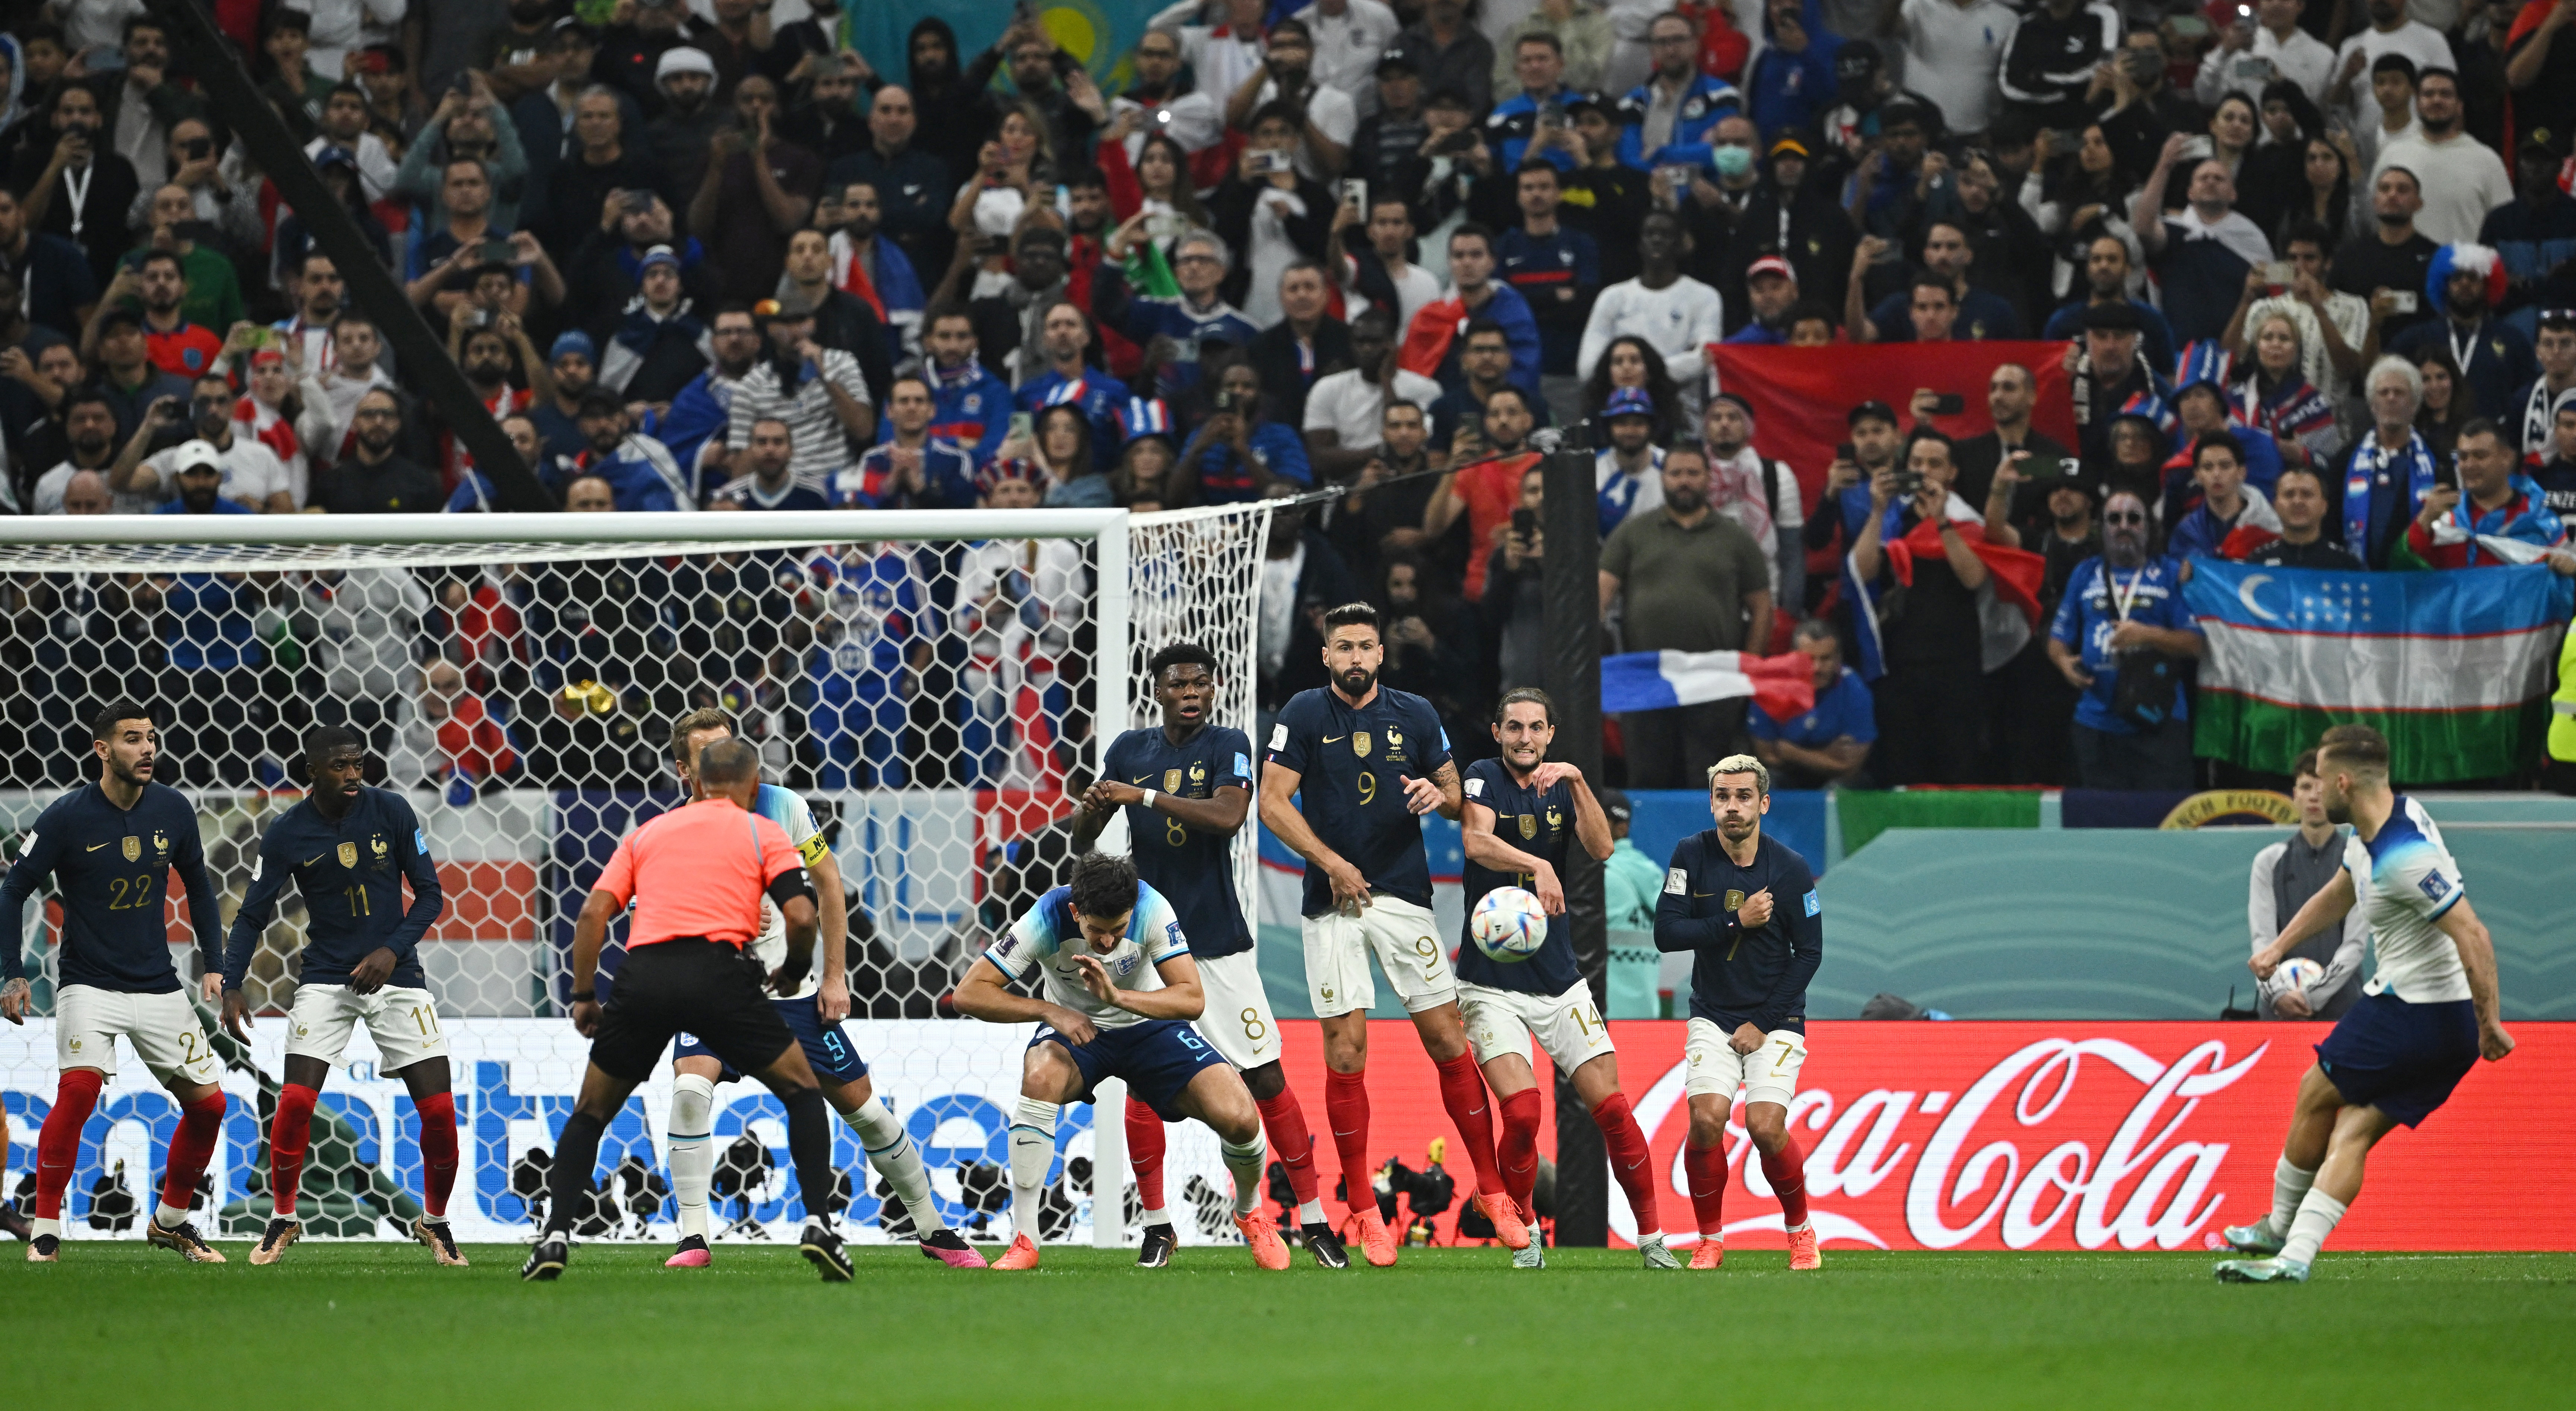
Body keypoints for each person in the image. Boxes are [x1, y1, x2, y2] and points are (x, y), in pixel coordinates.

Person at [649, 710, 980, 1270]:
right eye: (706, 757)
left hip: (792, 992)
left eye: (729, 751)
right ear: (684, 769)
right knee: (688, 1090)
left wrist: (834, 976)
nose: (722, 765)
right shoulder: (671, 829)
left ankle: (932, 1227)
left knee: (868, 1112)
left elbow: (829, 887)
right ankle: (693, 1237)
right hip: (713, 996)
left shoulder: (783, 805)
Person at [1258, 600, 1528, 1266]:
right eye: (1343, 646)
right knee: (1346, 1051)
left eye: (1366, 647)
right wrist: (1331, 863)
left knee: (1446, 1037)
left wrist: (1446, 798)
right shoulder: (1302, 714)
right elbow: (1270, 800)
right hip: (1332, 903)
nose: (1355, 657)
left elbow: (1465, 797)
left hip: (1406, 898)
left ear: (1382, 654)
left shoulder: (1416, 714)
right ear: (1326, 655)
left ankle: (1492, 1190)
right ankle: (1364, 1210)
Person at [527, 738, 849, 1282]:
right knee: (801, 1090)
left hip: (644, 976)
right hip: (721, 976)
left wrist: (584, 996)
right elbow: (800, 913)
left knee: (590, 1112)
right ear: (752, 786)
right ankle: (818, 1222)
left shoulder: (649, 832)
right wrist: (794, 972)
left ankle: (555, 1235)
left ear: (697, 779)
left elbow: (590, 914)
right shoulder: (762, 830)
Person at [1072, 642, 1345, 1269]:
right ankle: (1158, 1224)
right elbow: (1084, 844)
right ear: (1159, 691)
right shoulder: (1128, 751)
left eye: (1201, 683)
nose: (1191, 693)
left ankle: (1311, 1218)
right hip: (1144, 947)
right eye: (1179, 684)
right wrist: (1091, 813)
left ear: (1213, 689)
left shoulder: (1228, 744)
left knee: (1266, 1074)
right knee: (1143, 1086)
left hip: (1218, 944)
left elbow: (1228, 816)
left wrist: (1139, 799)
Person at [2216, 724, 2512, 1284]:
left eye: (2321, 780)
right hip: (2438, 1023)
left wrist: (2489, 1022)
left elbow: (2473, 932)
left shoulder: (2403, 855)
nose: (2314, 793)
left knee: (2312, 1090)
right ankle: (2293, 1259)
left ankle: (2278, 1225)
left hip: (2417, 1010)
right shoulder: (2373, 828)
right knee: (2349, 1129)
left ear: (2343, 782)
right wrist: (2279, 946)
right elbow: (2339, 892)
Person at [954, 850, 1289, 1272]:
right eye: (1097, 930)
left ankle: (1250, 1212)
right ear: (1076, 911)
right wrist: (1049, 1011)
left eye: (1119, 929)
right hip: (1074, 1030)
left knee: (1240, 1115)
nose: (1109, 942)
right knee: (1039, 1076)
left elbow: (1192, 997)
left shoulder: (1151, 907)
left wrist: (1120, 998)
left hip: (1149, 1028)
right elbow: (969, 992)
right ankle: (1025, 1239)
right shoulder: (1046, 916)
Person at [212, 726, 451, 1266]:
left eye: (358, 764)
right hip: (325, 978)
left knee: (438, 1111)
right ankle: (283, 1216)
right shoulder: (287, 832)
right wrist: (231, 983)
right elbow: (253, 913)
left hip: (399, 976)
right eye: (340, 765)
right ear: (312, 772)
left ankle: (437, 1224)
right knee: (295, 1102)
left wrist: (391, 952)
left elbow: (430, 893)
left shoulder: (391, 810)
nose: (352, 774)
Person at [0, 703, 228, 1266]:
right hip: (89, 983)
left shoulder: (173, 810)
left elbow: (199, 888)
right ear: (103, 750)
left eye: (152, 738)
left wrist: (216, 964)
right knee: (77, 1093)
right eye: (133, 739)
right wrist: (12, 972)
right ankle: (46, 1230)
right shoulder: (66, 816)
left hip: (157, 983)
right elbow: (13, 890)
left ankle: (171, 1221)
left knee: (210, 1106)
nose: (148, 748)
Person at [1456, 687, 1673, 1270]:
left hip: (1559, 981)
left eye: (1534, 728)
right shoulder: (1480, 775)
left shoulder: (1561, 784)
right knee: (1524, 1112)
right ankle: (1525, 1230)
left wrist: (1578, 782)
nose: (1524, 738)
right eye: (1513, 727)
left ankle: (1652, 1239)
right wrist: (1538, 863)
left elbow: (1601, 846)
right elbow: (1474, 841)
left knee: (1613, 1108)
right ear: (1497, 731)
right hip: (1489, 983)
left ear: (1550, 733)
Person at [1653, 754, 1824, 1272]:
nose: (1732, 806)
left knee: (1765, 1126)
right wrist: (1735, 921)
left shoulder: (1790, 869)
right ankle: (1709, 1239)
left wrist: (1764, 1022)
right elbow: (1667, 933)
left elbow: (1810, 953)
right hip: (1712, 1013)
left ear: (1763, 803)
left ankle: (1800, 1232)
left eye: (1743, 796)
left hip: (1775, 1019)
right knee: (1705, 1119)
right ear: (1711, 802)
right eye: (1723, 796)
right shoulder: (1690, 854)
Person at [1600, 442, 1774, 785]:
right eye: (1675, 473)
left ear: (1708, 479)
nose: (1684, 481)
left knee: (1710, 779)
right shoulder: (1633, 532)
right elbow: (1598, 597)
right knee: (1648, 777)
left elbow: (1762, 607)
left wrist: (1748, 669)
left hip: (1713, 682)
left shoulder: (1735, 538)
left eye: (1693, 473)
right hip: (1648, 680)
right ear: (1663, 478)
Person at [2048, 489, 2204, 791]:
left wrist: (2147, 634)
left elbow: (2195, 644)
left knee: (2162, 821)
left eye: (2133, 518)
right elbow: (2058, 637)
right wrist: (2063, 662)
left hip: (2158, 719)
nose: (2123, 526)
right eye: (2114, 519)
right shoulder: (2084, 573)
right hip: (2095, 723)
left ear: (2148, 526)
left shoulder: (2171, 574)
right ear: (2102, 527)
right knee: (2101, 824)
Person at [2251, 749, 2369, 1024]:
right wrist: (2278, 994)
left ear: (2338, 794)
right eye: (2306, 786)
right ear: (2295, 794)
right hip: (2280, 1008)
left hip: (2343, 1009)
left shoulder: (2359, 858)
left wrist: (2311, 996)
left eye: (2322, 787)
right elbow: (2262, 940)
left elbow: (2354, 945)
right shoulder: (2268, 862)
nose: (2314, 795)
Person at [1576, 211, 1721, 418]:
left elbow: (1705, 358)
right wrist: (1675, 363)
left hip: (1683, 415)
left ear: (1682, 244)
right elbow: (1587, 369)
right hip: (1619, 414)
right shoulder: (1612, 297)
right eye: (1650, 234)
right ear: (1640, 244)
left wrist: (1624, 369)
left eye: (1666, 235)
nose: (1657, 240)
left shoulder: (1705, 297)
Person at [2133, 142, 2274, 345]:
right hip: (2180, 355)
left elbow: (2272, 295)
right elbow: (2143, 228)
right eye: (2203, 178)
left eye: (2219, 179)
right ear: (2190, 193)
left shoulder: (2253, 239)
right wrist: (2165, 165)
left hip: (2235, 358)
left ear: (2233, 194)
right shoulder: (2174, 233)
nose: (2211, 182)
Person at [2395, 418, 2573, 570]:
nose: (2470, 465)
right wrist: (2424, 520)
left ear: (2507, 458)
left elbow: (2565, 591)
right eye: (2463, 457)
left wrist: (2570, 569)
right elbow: (2407, 574)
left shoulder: (2541, 521)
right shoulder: (2446, 523)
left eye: (2480, 456)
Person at [2370, 69, 2509, 250]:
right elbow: (2375, 215)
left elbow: (2505, 226)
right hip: (2403, 271)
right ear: (2418, 104)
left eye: (2446, 94)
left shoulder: (2487, 160)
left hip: (2463, 274)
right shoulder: (2393, 154)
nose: (2437, 100)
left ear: (2460, 106)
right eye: (2428, 94)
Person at [1304, 306, 1442, 480]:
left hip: (1407, 483)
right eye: (1360, 342)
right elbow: (1319, 458)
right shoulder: (1327, 388)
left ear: (1393, 344)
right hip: (1346, 487)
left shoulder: (1426, 389)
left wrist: (1386, 381)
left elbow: (1412, 452)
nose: (1367, 349)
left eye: (1375, 342)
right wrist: (1380, 452)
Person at [1749, 620, 1874, 788]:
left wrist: (1793, 753)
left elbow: (1850, 766)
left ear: (1839, 658)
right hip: (1786, 775)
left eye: (1826, 659)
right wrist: (1828, 755)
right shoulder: (1770, 686)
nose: (1817, 668)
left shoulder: (1855, 690)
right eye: (1809, 659)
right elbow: (1767, 755)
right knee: (1762, 782)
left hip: (1837, 780)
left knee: (1839, 789)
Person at [314, 389, 446, 515]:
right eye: (369, 414)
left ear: (398, 423)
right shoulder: (330, 484)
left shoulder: (421, 484)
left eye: (387, 414)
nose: (379, 422)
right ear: (354, 422)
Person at [2198, 0, 2335, 109]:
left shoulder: (2323, 56)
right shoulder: (2239, 48)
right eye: (2269, 0)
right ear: (2260, 5)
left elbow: (2327, 111)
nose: (2276, 4)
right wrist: (2223, 51)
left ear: (2300, 5)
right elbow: (2207, 97)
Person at [2169, 432, 2282, 561]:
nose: (2216, 474)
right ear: (2198, 476)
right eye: (2208, 467)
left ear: (2242, 472)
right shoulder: (2187, 532)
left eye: (2225, 466)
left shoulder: (2268, 527)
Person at [2240, 464, 2366, 568]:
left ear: (2324, 506)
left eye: (2307, 494)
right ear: (2276, 506)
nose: (2298, 501)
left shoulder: (2347, 565)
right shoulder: (2257, 563)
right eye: (2289, 495)